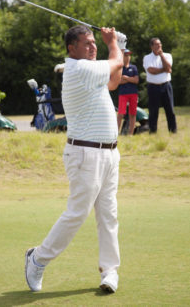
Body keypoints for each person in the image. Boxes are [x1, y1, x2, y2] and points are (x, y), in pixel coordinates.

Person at [25, 25, 125, 294]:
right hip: (85, 152)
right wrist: (113, 43)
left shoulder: (91, 71)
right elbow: (114, 62)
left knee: (109, 214)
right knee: (78, 213)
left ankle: (109, 270)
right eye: (88, 43)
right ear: (72, 48)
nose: (93, 47)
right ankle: (38, 259)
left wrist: (120, 48)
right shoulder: (78, 69)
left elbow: (114, 80)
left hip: (109, 153)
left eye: (95, 43)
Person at [143, 38, 177, 133]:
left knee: (170, 109)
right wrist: (164, 69)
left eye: (160, 44)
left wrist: (161, 55)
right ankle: (153, 131)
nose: (159, 46)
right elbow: (151, 71)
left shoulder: (167, 55)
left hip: (166, 86)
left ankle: (173, 130)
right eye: (157, 44)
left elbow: (168, 67)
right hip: (153, 87)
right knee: (153, 111)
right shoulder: (147, 58)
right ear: (152, 46)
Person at [117, 48, 139, 135]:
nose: (128, 57)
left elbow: (136, 80)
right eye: (126, 55)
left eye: (129, 55)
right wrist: (130, 79)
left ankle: (131, 133)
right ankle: (116, 133)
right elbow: (118, 81)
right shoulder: (119, 68)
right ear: (122, 56)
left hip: (133, 93)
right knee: (121, 114)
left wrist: (126, 78)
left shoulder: (134, 67)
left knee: (133, 114)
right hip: (123, 94)